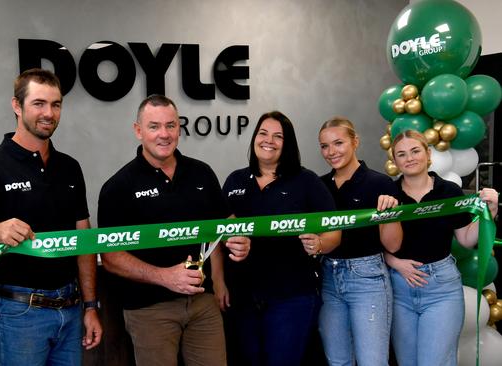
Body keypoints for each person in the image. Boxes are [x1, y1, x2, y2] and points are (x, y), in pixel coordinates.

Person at [0, 68, 102, 365]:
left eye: (56, 104)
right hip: (19, 312)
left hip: (72, 308)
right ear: (17, 106)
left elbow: (84, 241)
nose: (48, 113)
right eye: (38, 103)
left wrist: (90, 306)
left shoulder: (70, 168)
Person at [98, 94, 250, 366]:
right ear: (138, 131)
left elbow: (226, 224)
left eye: (171, 125)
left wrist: (238, 240)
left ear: (179, 128)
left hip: (202, 302)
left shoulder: (201, 173)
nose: (164, 134)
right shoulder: (118, 187)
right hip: (149, 309)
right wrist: (165, 277)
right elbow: (111, 257)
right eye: (154, 126)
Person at [221, 111, 341, 366]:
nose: (269, 141)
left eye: (278, 136)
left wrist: (320, 244)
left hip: (292, 296)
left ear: (287, 144)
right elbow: (222, 234)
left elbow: (334, 232)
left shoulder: (305, 180)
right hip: (243, 296)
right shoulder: (235, 180)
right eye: (263, 133)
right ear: (254, 138)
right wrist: (221, 277)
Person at [386, 130, 498, 366]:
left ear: (428, 154)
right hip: (400, 288)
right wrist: (395, 262)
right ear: (395, 161)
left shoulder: (449, 191)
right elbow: (375, 244)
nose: (410, 158)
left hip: (441, 289)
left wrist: (491, 213)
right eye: (402, 154)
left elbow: (467, 239)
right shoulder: (389, 195)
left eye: (415, 151)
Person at [317, 117, 402, 365]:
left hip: (368, 280)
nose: (331, 152)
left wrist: (389, 215)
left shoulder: (380, 183)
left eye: (338, 143)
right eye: (324, 146)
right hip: (329, 278)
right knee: (338, 361)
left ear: (355, 142)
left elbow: (394, 245)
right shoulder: (319, 186)